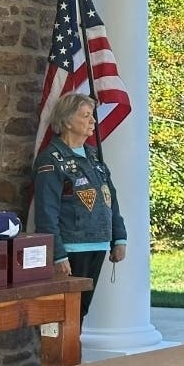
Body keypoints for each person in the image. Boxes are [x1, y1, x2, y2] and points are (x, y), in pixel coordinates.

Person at [33, 93, 126, 318]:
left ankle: (75, 352)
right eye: (86, 116)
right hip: (72, 248)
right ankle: (66, 354)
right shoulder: (52, 160)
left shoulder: (94, 157)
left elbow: (110, 198)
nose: (93, 121)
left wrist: (119, 237)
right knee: (65, 313)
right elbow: (46, 211)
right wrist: (57, 254)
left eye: (92, 115)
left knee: (81, 310)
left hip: (98, 244)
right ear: (66, 121)